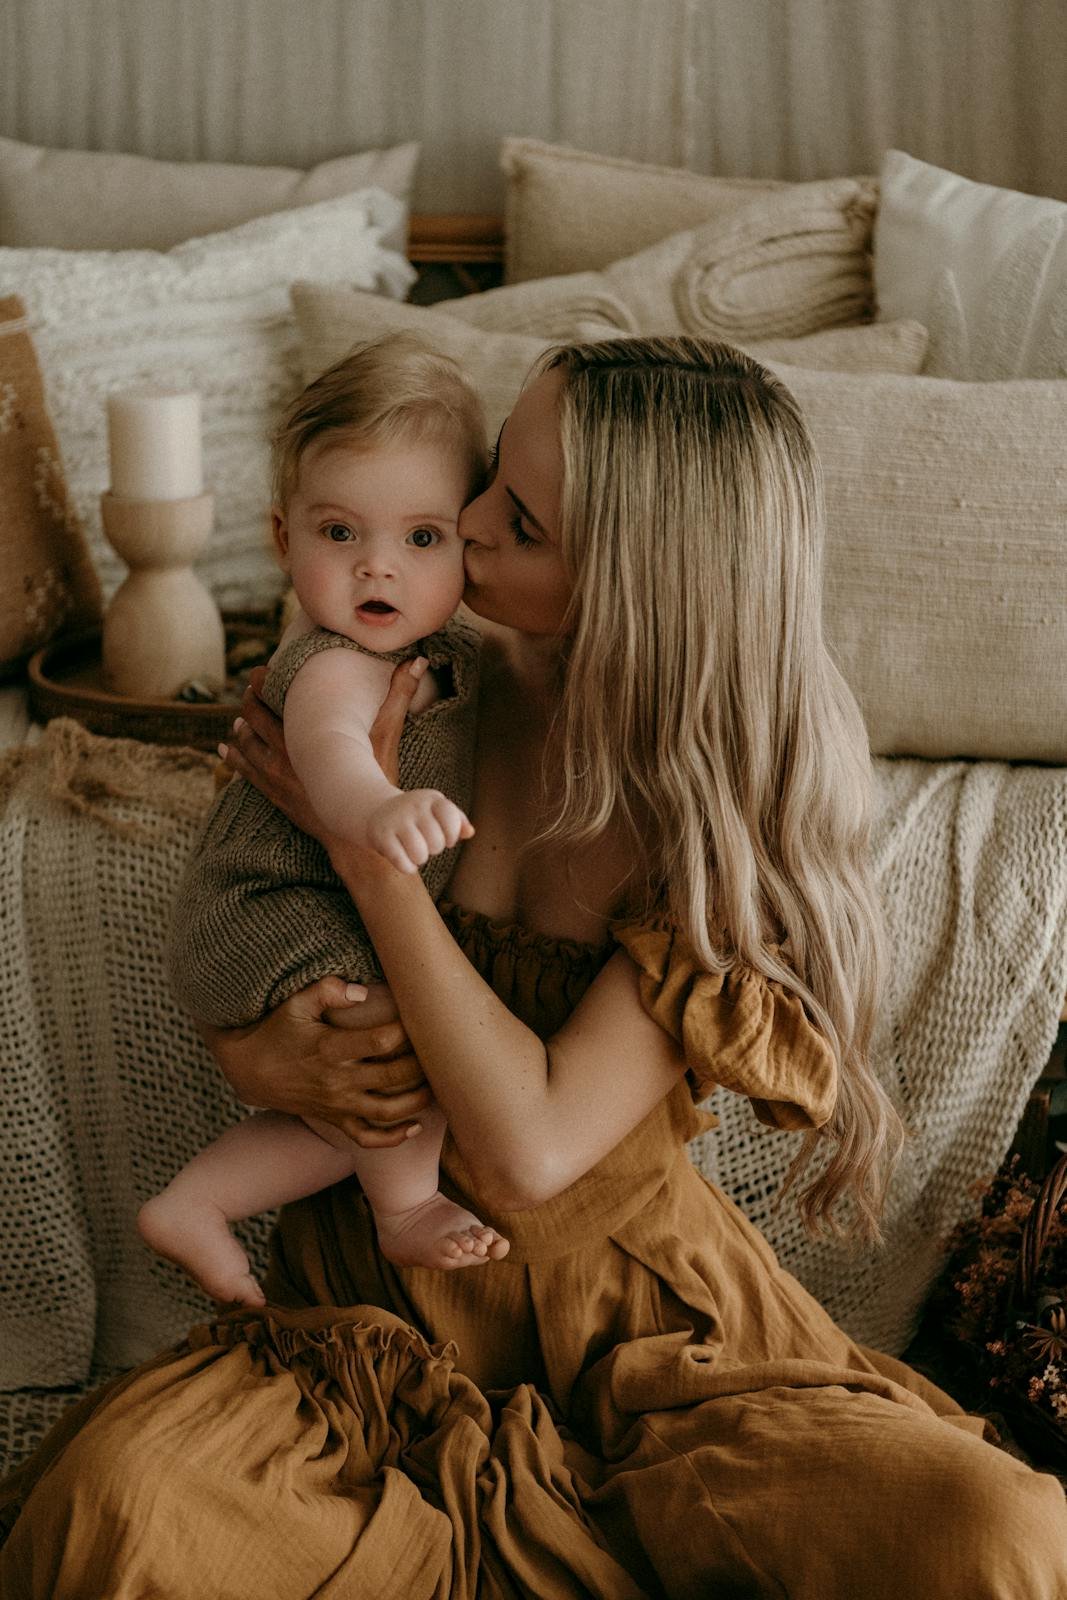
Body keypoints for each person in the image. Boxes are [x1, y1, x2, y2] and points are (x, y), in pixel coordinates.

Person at [2, 337, 1065, 1599]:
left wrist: (369, 861)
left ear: (630, 577)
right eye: (491, 477)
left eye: (518, 520)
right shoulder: (411, 678)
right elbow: (252, 937)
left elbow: (527, 1151)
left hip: (648, 1334)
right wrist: (266, 1050)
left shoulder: (723, 789)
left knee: (982, 1530)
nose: (463, 525)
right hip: (367, 1312)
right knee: (121, 1517)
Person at [143, 334, 510, 1304]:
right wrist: (379, 807)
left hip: (294, 909)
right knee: (404, 1042)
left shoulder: (448, 650)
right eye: (340, 533)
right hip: (271, 909)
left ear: (468, 546)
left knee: (349, 1101)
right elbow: (332, 751)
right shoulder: (334, 662)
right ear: (283, 540)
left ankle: (197, 1202)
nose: (376, 568)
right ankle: (405, 1208)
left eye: (421, 538)